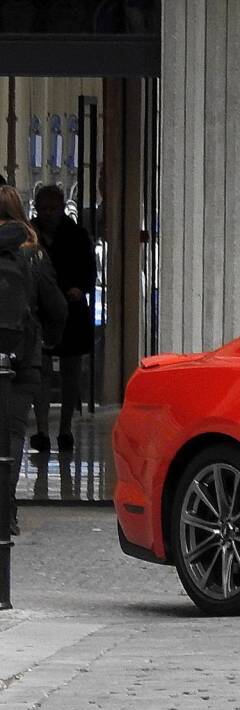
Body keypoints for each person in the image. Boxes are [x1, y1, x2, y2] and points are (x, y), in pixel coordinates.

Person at [0, 186, 66, 534]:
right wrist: (49, 338)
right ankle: (5, 513)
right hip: (22, 356)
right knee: (11, 435)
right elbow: (56, 306)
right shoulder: (33, 252)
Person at [31, 184, 94, 452]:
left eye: (54, 208)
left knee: (71, 372)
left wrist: (80, 289)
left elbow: (90, 270)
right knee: (40, 371)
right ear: (36, 208)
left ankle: (65, 428)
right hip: (40, 312)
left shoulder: (77, 235)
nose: (49, 214)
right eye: (44, 209)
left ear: (61, 208)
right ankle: (43, 429)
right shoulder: (29, 234)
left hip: (72, 309)